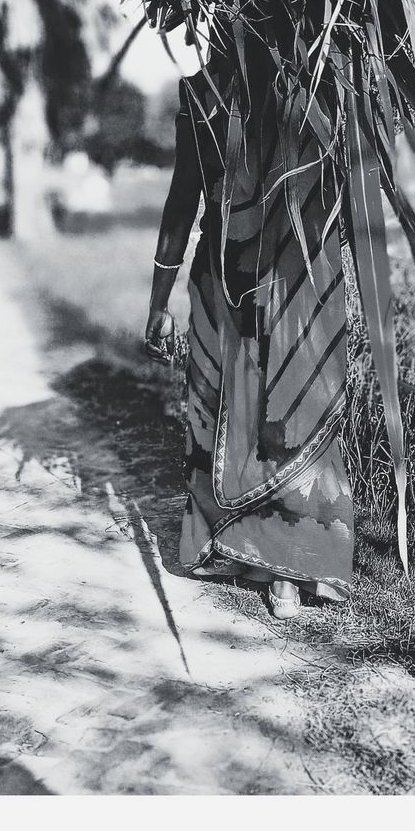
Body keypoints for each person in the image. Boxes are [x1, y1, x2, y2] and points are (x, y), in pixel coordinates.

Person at [145, 40, 354, 619]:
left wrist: (159, 301)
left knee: (275, 411)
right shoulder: (307, 86)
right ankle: (266, 557)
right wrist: (160, 297)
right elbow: (186, 194)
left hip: (282, 279)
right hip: (272, 280)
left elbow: (182, 197)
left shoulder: (312, 87)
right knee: (269, 411)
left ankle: (278, 561)